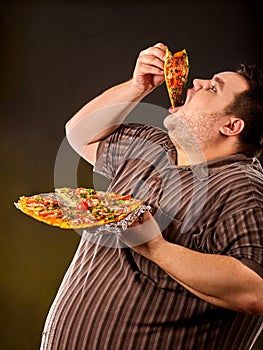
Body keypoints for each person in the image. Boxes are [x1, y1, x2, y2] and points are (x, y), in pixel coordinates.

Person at [40, 43, 263, 350]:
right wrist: (137, 87)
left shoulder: (244, 189)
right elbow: (79, 134)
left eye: (213, 88)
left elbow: (256, 291)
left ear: (231, 125)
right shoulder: (152, 147)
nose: (196, 83)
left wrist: (155, 247)